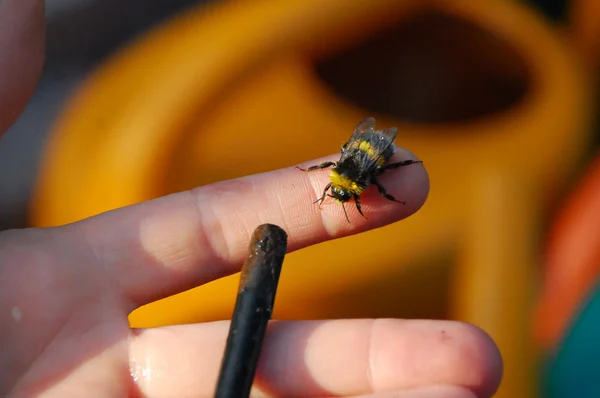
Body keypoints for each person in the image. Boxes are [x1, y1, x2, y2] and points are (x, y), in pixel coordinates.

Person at [0, 1, 502, 397]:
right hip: (361, 151)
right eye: (341, 191)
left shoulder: (359, 172)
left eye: (342, 190)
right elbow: (344, 169)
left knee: (394, 178)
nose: (340, 193)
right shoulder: (344, 176)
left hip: (371, 152)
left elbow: (362, 162)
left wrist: (382, 167)